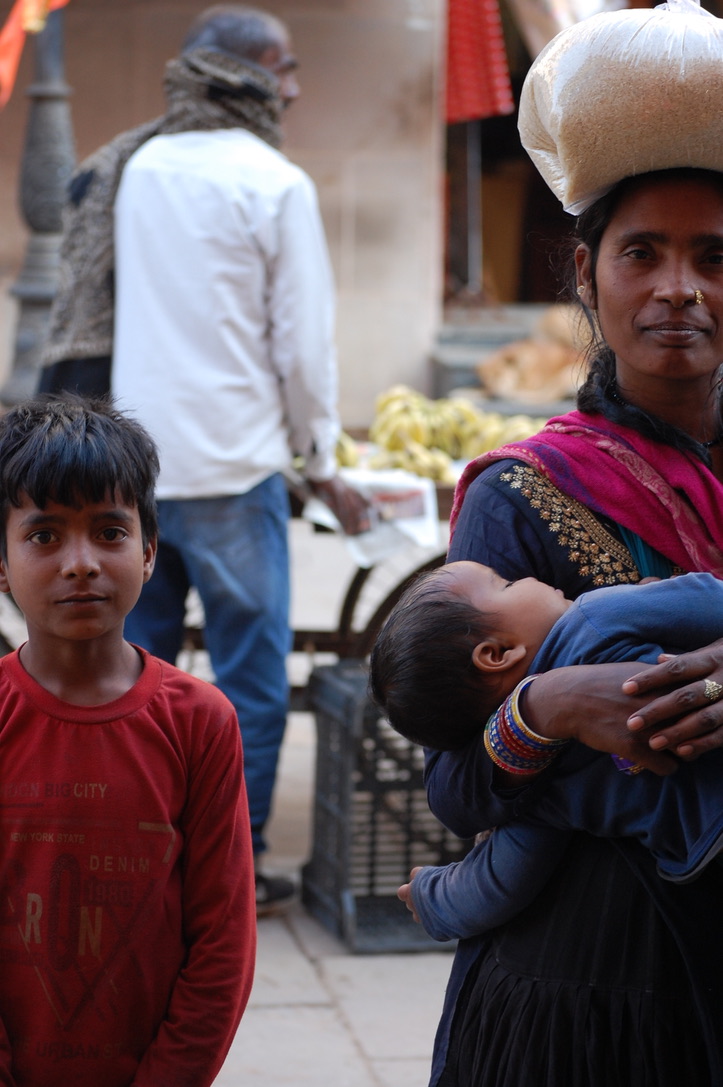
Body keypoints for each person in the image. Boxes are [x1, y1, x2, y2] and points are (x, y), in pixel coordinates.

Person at [418, 3, 723, 1082]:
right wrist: (547, 706)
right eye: (643, 252)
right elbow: (453, 786)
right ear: (586, 276)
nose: (680, 287)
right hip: (585, 982)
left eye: (713, 255)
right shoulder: (524, 496)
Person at [42, 4, 370, 914]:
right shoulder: (272, 181)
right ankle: (235, 865)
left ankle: (132, 863)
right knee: (251, 687)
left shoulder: (138, 168)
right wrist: (323, 458)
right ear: (249, 74)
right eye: (286, 69)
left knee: (129, 681)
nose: (297, 88)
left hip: (136, 479)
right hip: (232, 472)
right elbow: (303, 350)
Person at [0, 395, 256, 1087]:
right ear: (1, 563)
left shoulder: (199, 720)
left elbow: (223, 942)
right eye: (44, 535)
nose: (80, 562)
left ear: (147, 552)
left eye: (108, 532)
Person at [370, 567, 723, 946]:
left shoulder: (538, 789)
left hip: (706, 856)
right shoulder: (594, 618)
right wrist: (652, 597)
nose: (523, 578)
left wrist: (429, 895)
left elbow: (494, 887)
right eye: (504, 584)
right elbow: (708, 595)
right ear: (498, 653)